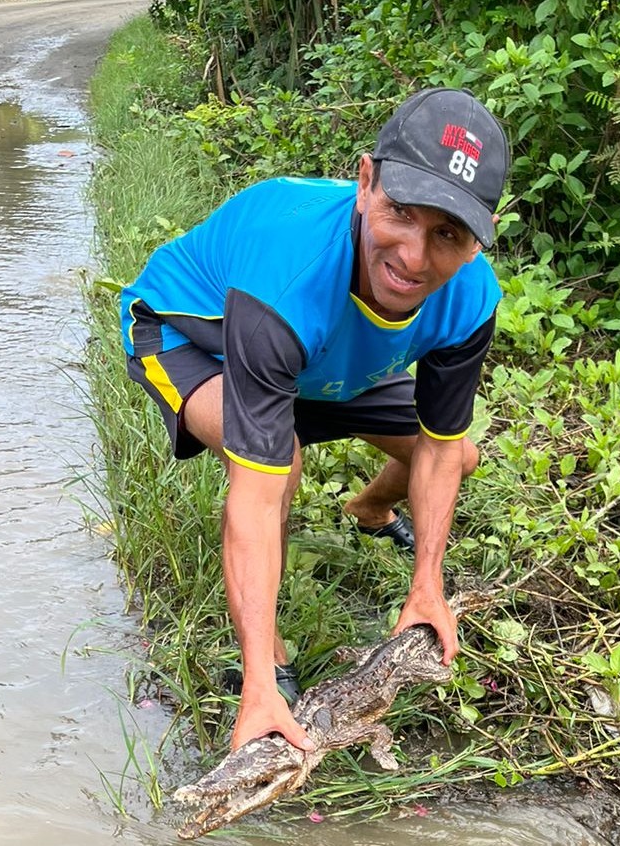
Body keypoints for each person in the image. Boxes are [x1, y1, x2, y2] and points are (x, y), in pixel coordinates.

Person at [119, 88, 509, 752]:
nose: (414, 256)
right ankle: (265, 663)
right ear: (365, 183)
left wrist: (427, 588)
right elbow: (256, 492)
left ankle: (370, 510)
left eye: (446, 233)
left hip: (319, 357)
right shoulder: (288, 275)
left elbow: (442, 449)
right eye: (400, 213)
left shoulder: (471, 299)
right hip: (191, 335)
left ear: (475, 245)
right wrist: (258, 690)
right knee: (280, 460)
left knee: (460, 455)